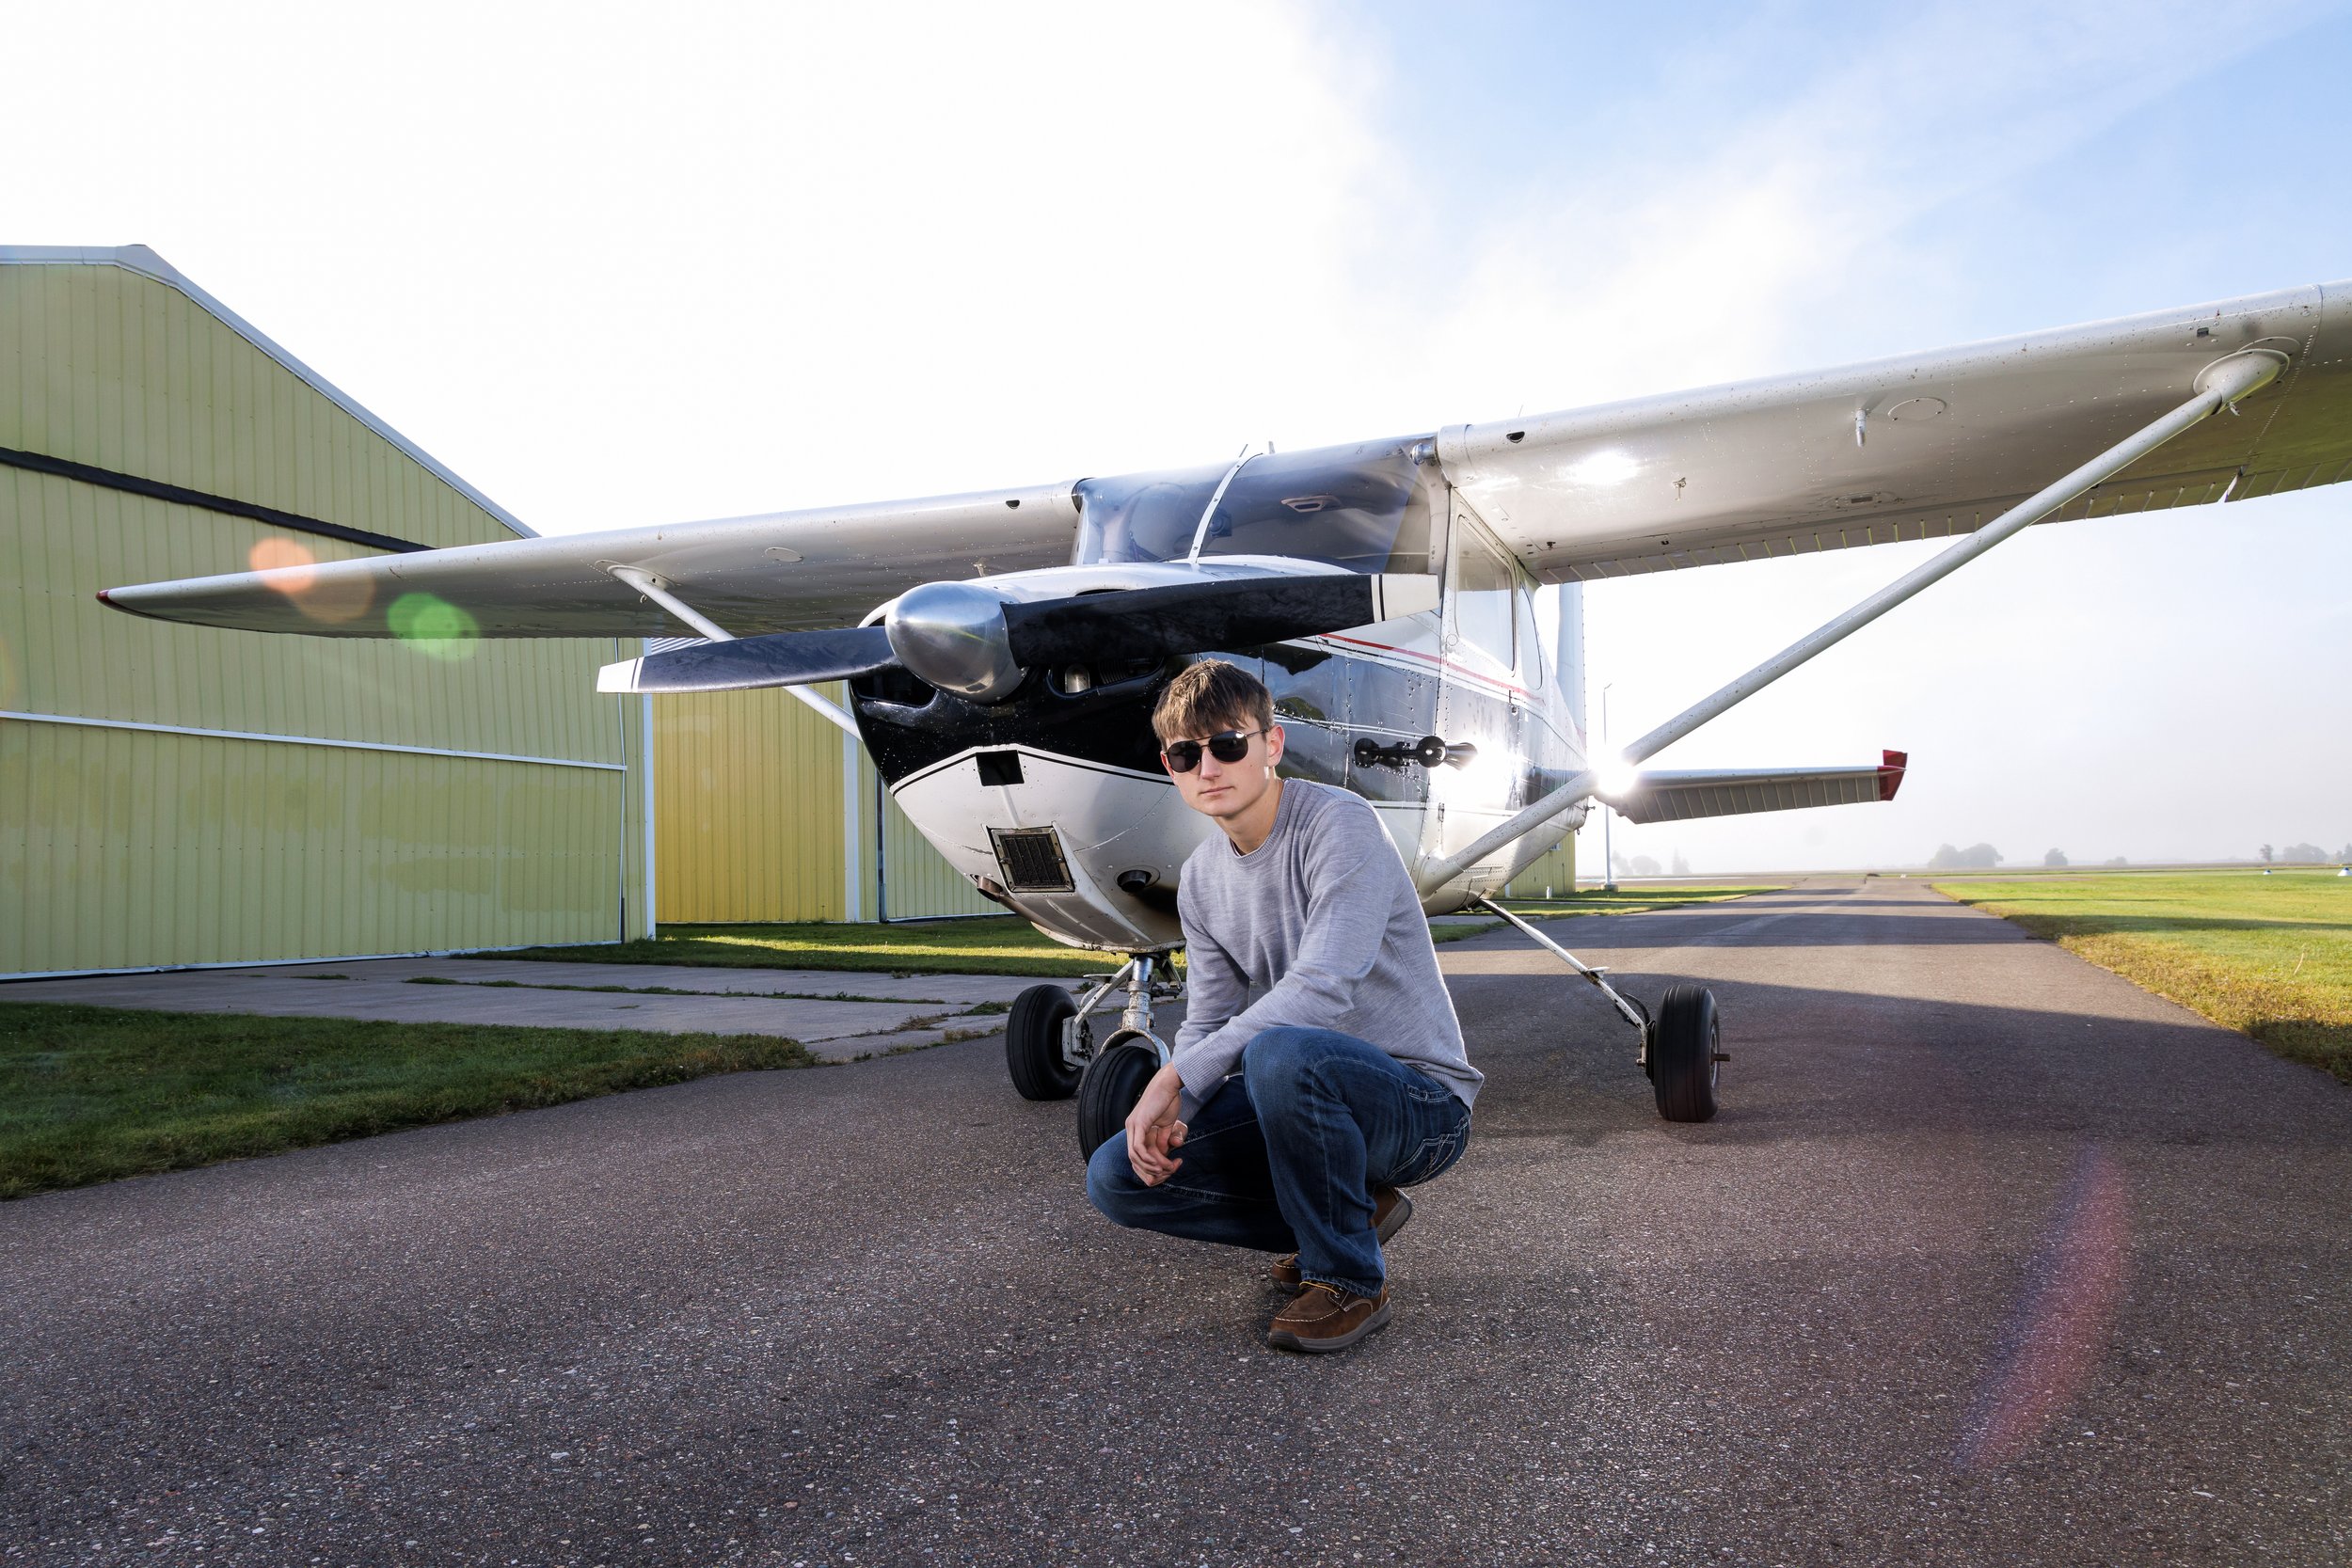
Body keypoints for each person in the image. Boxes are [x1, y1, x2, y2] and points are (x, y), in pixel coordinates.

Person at [1085, 659, 1481, 1353]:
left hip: (1420, 1105)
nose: (1208, 765)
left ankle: (1349, 1278)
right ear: (1170, 767)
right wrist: (1179, 1110)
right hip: (1308, 1094)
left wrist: (1173, 1076)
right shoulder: (1203, 880)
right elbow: (1206, 1019)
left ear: (1272, 743)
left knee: (1281, 1051)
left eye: (1227, 743)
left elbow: (1323, 987)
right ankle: (1345, 1211)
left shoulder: (1339, 824)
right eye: (1187, 753)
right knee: (1117, 1176)